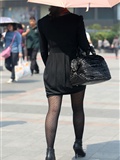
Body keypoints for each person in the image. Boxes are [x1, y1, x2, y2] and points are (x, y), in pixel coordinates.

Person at [37, 6, 91, 160]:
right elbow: (84, 45)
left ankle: (50, 152)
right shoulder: (76, 19)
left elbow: (42, 51)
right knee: (78, 108)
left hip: (53, 69)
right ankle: (78, 144)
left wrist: (51, 65)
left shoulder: (42, 22)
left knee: (53, 111)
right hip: (75, 69)